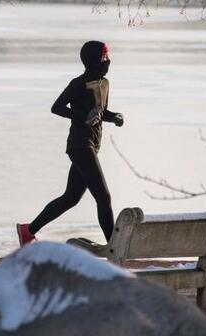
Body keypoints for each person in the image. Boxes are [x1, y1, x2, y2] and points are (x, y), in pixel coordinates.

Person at [16, 40, 125, 247]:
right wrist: (84, 116)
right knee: (104, 197)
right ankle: (114, 246)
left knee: (71, 198)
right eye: (105, 58)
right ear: (95, 61)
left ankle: (27, 230)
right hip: (80, 145)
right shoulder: (78, 84)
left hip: (92, 145)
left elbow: (100, 113)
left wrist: (114, 117)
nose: (109, 61)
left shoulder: (105, 83)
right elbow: (56, 107)